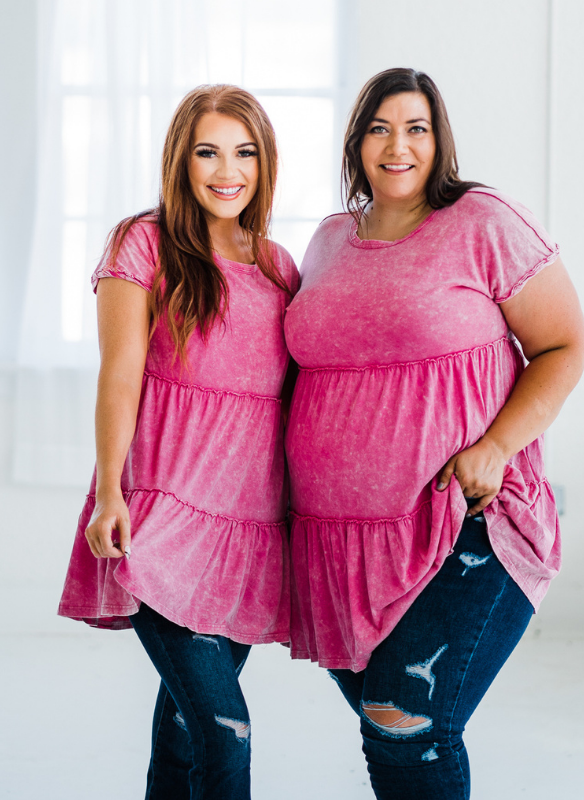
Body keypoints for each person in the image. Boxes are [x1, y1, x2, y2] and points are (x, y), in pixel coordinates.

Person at [284, 68, 584, 799]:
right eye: (380, 128)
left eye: (416, 128)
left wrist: (494, 447)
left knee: (405, 721)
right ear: (356, 143)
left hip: (463, 522)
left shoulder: (484, 222)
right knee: (388, 725)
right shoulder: (329, 239)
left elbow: (564, 346)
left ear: (439, 140)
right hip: (339, 548)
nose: (398, 145)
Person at [58, 84, 299, 799]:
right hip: (162, 521)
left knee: (184, 735)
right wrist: (109, 492)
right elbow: (119, 376)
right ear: (181, 161)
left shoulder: (278, 266)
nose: (228, 170)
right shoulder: (145, 241)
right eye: (208, 151)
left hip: (248, 535)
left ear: (264, 163)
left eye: (245, 152)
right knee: (227, 735)